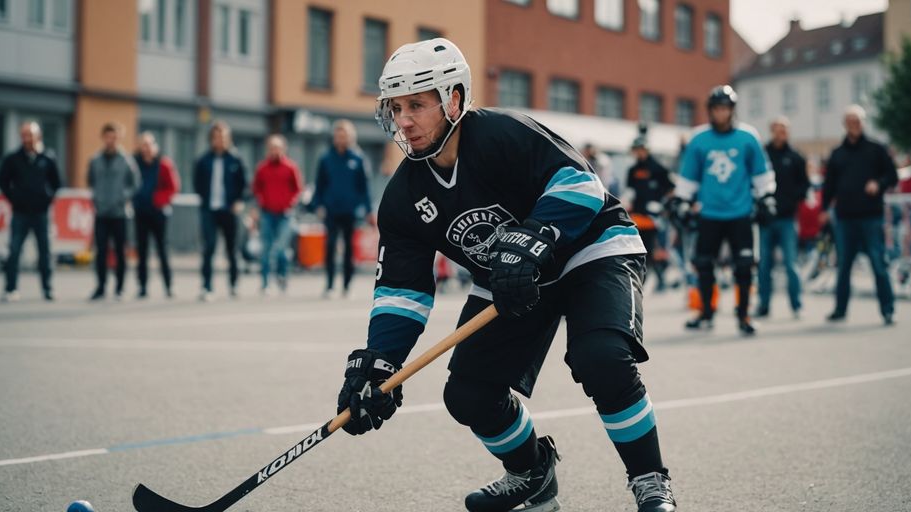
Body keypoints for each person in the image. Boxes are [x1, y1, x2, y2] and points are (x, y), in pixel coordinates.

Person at [335, 38, 675, 512]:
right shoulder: (401, 198)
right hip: (512, 280)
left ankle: (650, 481)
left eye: (416, 104)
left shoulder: (500, 133)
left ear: (453, 99)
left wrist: (530, 238)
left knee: (601, 358)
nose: (403, 120)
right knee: (469, 393)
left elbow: (581, 183)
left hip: (590, 251)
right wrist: (380, 362)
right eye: (395, 107)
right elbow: (401, 290)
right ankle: (532, 474)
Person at [668, 85, 776, 335]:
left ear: (732, 111)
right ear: (710, 111)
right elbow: (689, 176)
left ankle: (743, 316)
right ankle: (706, 313)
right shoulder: (699, 139)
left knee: (744, 265)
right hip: (710, 213)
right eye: (717, 109)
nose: (721, 113)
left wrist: (767, 196)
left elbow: (761, 172)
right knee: (704, 263)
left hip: (740, 212)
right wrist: (682, 200)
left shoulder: (748, 137)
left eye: (725, 109)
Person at [820, 105, 898, 325]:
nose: (854, 125)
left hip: (871, 216)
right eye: (850, 121)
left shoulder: (876, 149)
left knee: (877, 262)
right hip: (845, 217)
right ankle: (840, 309)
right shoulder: (837, 153)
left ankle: (888, 308)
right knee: (844, 265)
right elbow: (829, 185)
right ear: (845, 125)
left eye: (857, 121)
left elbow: (892, 176)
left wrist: (879, 183)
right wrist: (824, 209)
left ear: (863, 123)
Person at [0, 121, 61, 302]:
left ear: (38, 136)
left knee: (45, 252)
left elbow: (56, 183)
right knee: (14, 251)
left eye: (31, 135)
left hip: (41, 214)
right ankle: (11, 289)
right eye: (24, 135)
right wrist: (14, 199)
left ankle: (47, 288)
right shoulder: (13, 158)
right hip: (20, 213)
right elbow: (2, 181)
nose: (28, 138)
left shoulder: (47, 158)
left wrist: (46, 199)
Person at [312, 119, 374, 297]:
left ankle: (346, 285)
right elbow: (320, 185)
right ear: (334, 137)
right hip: (331, 210)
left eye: (344, 135)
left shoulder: (358, 158)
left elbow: (365, 187)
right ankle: (329, 285)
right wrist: (319, 205)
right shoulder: (326, 158)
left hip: (351, 211)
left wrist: (368, 210)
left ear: (350, 137)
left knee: (349, 249)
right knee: (330, 247)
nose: (341, 138)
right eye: (338, 135)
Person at [755, 117, 809, 318]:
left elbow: (805, 185)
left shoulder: (796, 157)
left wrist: (793, 197)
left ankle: (796, 304)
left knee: (790, 264)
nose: (781, 133)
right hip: (765, 220)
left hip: (787, 218)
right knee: (764, 265)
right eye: (777, 129)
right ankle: (763, 304)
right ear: (771, 131)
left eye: (784, 129)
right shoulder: (762, 155)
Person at [194, 121, 248, 301]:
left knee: (232, 250)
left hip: (229, 210)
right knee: (208, 248)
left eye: (223, 137)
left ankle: (233, 285)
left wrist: (239, 201)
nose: (220, 140)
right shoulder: (204, 160)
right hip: (209, 210)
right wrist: (204, 201)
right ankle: (207, 287)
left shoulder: (236, 159)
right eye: (217, 137)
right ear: (211, 139)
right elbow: (198, 183)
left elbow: (244, 185)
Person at [87, 122, 140, 301]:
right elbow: (91, 181)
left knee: (120, 252)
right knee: (100, 251)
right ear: (103, 137)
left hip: (120, 214)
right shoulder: (95, 160)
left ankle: (120, 287)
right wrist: (97, 198)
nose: (111, 140)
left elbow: (135, 184)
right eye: (108, 136)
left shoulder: (127, 160)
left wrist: (123, 198)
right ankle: (101, 287)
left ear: (119, 138)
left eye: (115, 137)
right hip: (101, 213)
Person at [132, 131, 180, 299]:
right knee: (142, 252)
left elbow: (173, 187)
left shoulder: (164, 164)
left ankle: (168, 286)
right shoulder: (134, 163)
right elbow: (129, 184)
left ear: (154, 146)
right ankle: (142, 286)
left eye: (148, 144)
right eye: (142, 144)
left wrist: (158, 200)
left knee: (162, 250)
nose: (146, 148)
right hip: (141, 212)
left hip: (159, 213)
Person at [252, 134, 303, 293]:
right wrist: (259, 203)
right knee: (266, 249)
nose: (275, 151)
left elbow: (298, 189)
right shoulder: (262, 168)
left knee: (281, 248)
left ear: (283, 149)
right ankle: (265, 282)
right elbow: (256, 188)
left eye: (278, 148)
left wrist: (291, 202)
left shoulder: (290, 167)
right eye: (272, 148)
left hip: (285, 215)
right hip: (267, 214)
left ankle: (282, 276)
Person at [624, 136, 675, 292]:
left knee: (656, 250)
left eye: (642, 150)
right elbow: (630, 191)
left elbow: (671, 189)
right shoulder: (633, 170)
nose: (639, 154)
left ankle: (660, 280)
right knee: (639, 251)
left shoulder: (659, 169)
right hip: (637, 216)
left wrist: (662, 205)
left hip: (654, 217)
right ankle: (641, 280)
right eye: (636, 151)